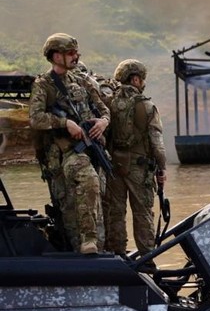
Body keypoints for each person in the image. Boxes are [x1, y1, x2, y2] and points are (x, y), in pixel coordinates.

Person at [28, 33, 110, 254]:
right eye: (71, 53)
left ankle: (96, 253)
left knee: (96, 206)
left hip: (91, 149)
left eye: (76, 52)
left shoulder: (82, 81)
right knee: (85, 187)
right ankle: (87, 242)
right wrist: (65, 123)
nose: (76, 56)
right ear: (56, 56)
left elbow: (104, 109)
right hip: (66, 153)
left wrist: (102, 122)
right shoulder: (44, 85)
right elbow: (35, 119)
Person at [103, 59, 167, 263]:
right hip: (139, 168)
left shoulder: (108, 104)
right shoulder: (147, 106)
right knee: (142, 212)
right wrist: (162, 169)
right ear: (136, 79)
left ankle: (118, 254)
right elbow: (157, 144)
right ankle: (147, 258)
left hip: (114, 166)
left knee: (116, 211)